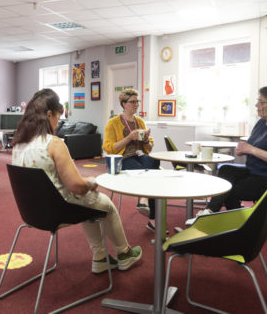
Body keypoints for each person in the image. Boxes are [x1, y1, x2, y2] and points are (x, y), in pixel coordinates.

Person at [12, 88, 142, 274]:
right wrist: (91, 181)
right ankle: (124, 253)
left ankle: (100, 257)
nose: (58, 122)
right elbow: (77, 188)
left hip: (32, 212)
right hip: (57, 210)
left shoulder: (19, 143)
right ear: (49, 114)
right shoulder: (54, 143)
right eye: (58, 116)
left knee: (91, 203)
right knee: (104, 203)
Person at [196, 86, 267, 218]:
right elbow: (254, 148)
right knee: (225, 170)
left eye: (261, 102)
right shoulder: (261, 123)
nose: (257, 105)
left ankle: (215, 214)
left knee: (230, 189)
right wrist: (244, 150)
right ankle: (221, 213)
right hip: (255, 171)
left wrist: (251, 149)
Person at [102, 88, 161, 232]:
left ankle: (144, 202)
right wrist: (128, 138)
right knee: (147, 174)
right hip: (122, 158)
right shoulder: (113, 123)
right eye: (132, 102)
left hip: (140, 155)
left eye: (137, 101)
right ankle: (149, 212)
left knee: (155, 162)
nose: (136, 104)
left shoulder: (140, 121)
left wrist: (146, 140)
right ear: (123, 103)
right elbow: (108, 148)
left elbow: (150, 148)